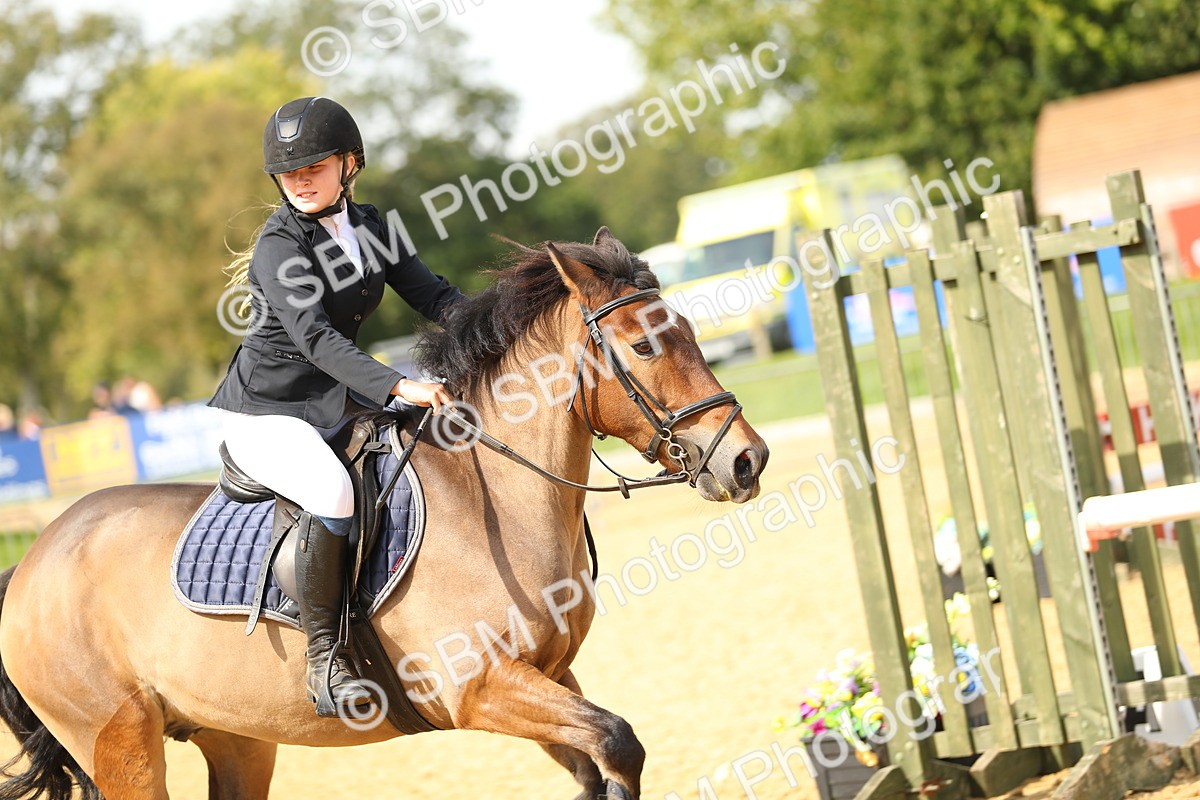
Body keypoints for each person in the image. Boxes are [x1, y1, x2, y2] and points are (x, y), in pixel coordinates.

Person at [208, 97, 465, 717]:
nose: (299, 178)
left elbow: (433, 294)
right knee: (332, 491)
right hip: (265, 413)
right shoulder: (278, 246)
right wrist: (399, 386)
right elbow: (316, 340)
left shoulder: (376, 226)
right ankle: (326, 659)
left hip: (333, 401)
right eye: (288, 171)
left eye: (314, 165)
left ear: (350, 163)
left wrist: (505, 330)